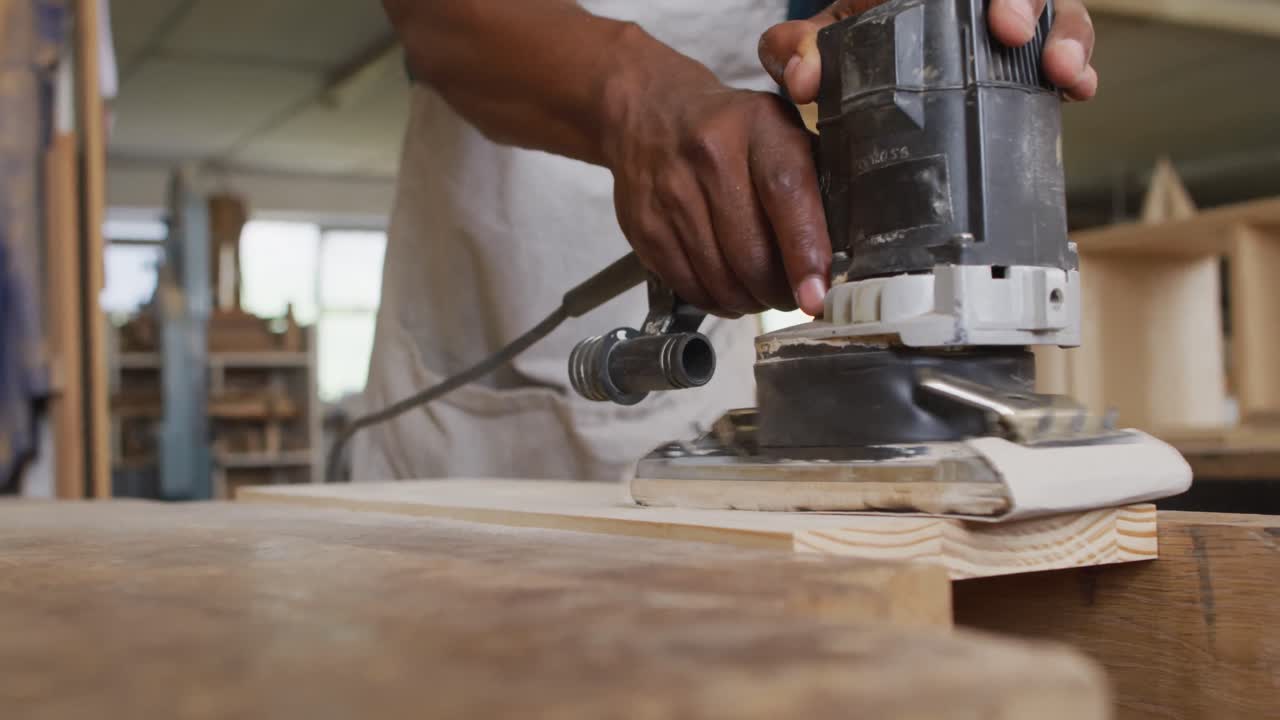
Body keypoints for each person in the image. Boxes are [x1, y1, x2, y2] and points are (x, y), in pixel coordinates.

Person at [356, 0, 1098, 483]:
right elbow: (429, 16)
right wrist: (632, 98)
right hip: (485, 301)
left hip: (714, 317)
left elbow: (820, 26)